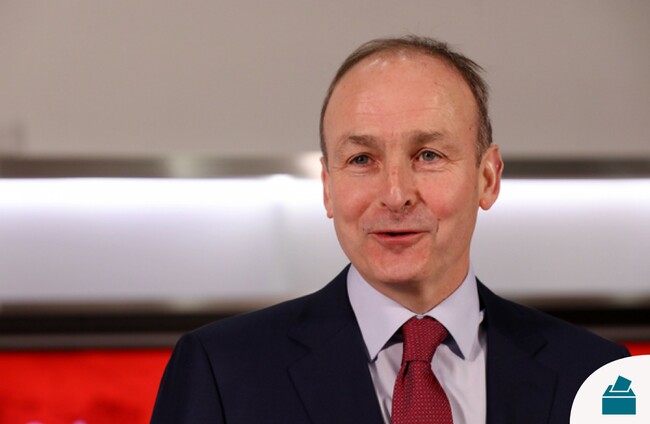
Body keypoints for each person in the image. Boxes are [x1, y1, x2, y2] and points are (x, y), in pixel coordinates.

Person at [150, 36, 628, 424]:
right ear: (328, 188)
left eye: (428, 155)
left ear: (488, 177)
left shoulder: (596, 376)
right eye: (362, 159)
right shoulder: (220, 370)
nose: (396, 195)